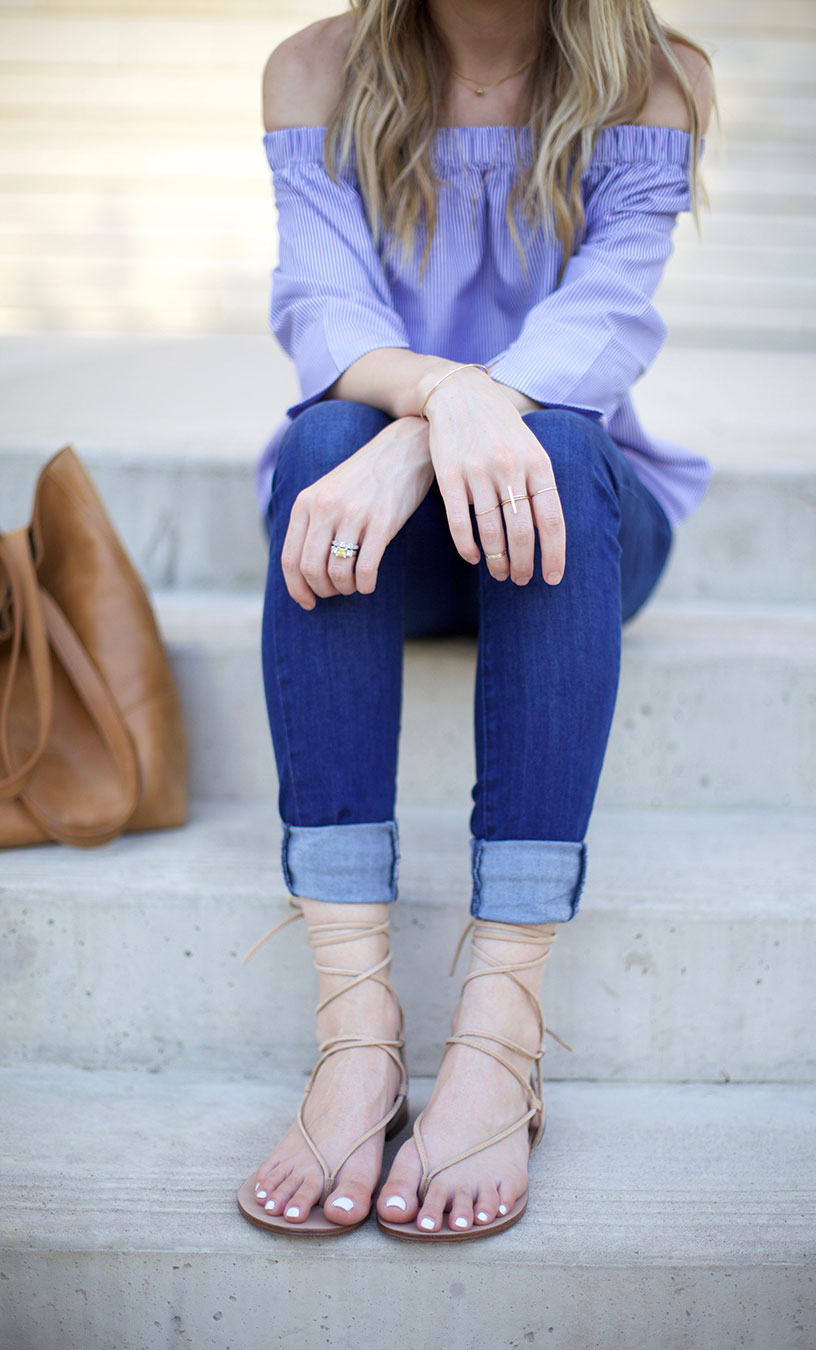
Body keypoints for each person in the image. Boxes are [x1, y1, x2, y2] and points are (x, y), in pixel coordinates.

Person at [236, 0, 715, 1240]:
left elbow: (599, 329)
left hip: (575, 519)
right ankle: (360, 1039)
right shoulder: (312, 71)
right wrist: (428, 422)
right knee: (327, 434)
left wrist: (463, 426)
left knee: (550, 438)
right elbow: (325, 319)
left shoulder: (652, 80)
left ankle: (502, 1034)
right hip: (379, 519)